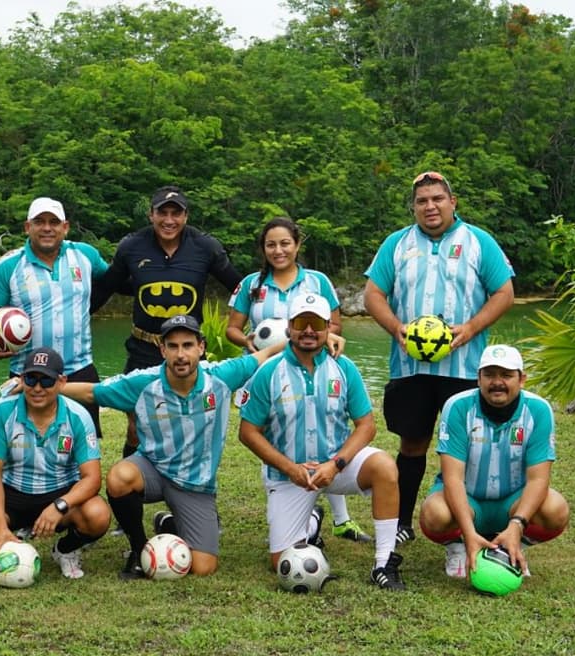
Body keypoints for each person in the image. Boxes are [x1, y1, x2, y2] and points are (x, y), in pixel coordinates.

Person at [61, 314, 284, 579]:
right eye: (173, 346)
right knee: (120, 477)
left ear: (200, 347)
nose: (181, 355)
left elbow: (265, 354)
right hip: (153, 470)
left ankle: (168, 523)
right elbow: (91, 392)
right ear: (162, 350)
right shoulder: (144, 382)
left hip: (195, 484)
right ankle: (138, 549)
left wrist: (314, 335)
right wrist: (48, 386)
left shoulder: (221, 377)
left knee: (203, 568)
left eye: (187, 345)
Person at [362, 171, 516, 547]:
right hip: (410, 368)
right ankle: (400, 522)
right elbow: (373, 295)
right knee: (412, 444)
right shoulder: (396, 243)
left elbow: (504, 292)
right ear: (414, 207)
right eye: (422, 201)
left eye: (437, 199)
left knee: (468, 447)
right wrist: (396, 328)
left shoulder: (478, 241)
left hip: (464, 368)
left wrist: (471, 328)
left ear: (452, 202)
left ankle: (471, 524)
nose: (430, 206)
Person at [238, 294, 406, 591]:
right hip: (291, 475)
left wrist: (336, 464)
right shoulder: (269, 371)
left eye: (316, 323)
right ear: (289, 327)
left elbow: (366, 426)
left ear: (329, 327)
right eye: (301, 322)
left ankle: (383, 562)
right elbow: (248, 432)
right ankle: (313, 521)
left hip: (337, 465)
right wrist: (291, 469)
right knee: (281, 562)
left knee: (384, 466)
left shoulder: (344, 367)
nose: (308, 330)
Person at [225, 217, 369, 545]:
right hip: (267, 372)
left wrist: (322, 337)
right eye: (271, 245)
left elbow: (335, 326)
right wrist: (248, 343)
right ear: (263, 249)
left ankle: (341, 519)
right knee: (272, 438)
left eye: (285, 243)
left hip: (310, 365)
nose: (278, 250)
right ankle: (288, 510)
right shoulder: (251, 284)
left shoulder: (317, 281)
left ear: (297, 245)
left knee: (325, 433)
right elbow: (232, 328)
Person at [92, 186, 243, 460]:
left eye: (176, 213)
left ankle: (184, 479)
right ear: (151, 214)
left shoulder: (205, 247)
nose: (169, 220)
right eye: (163, 213)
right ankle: (131, 482)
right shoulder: (132, 246)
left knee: (189, 421)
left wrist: (258, 320)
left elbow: (239, 287)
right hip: (143, 346)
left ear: (186, 216)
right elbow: (106, 288)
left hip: (186, 349)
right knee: (136, 425)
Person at [0, 347, 111, 579]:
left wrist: (59, 506)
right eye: (31, 379)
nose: (37, 388)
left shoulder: (78, 416)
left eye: (46, 380)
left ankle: (65, 549)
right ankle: (9, 537)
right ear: (21, 379)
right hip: (12, 492)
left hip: (59, 491)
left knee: (98, 515)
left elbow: (92, 478)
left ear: (61, 382)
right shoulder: (2, 409)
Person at [417, 344, 569, 579]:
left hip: (512, 502)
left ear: (522, 379)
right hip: (468, 499)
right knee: (434, 514)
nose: (497, 382)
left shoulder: (539, 409)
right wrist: (468, 533)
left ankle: (513, 544)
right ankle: (458, 546)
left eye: (506, 375)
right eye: (489, 375)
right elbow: (453, 478)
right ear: (478, 378)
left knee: (556, 510)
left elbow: (538, 479)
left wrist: (517, 525)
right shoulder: (457, 406)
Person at [0, 197, 109, 436]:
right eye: (39, 222)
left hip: (79, 370)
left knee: (84, 443)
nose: (47, 228)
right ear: (28, 227)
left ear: (65, 227)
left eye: (54, 222)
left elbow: (114, 281)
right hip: (28, 375)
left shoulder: (85, 255)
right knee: (24, 442)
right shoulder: (8, 266)